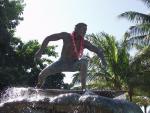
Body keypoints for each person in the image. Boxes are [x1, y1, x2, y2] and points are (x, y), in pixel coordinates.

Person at [34, 23, 106, 89]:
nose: (85, 32)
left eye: (86, 30)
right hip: (61, 62)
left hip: (74, 64)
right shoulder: (66, 36)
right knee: (41, 75)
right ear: (76, 29)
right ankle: (38, 88)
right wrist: (40, 51)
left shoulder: (84, 42)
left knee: (84, 62)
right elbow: (48, 38)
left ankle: (83, 89)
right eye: (83, 29)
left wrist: (103, 60)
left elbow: (97, 50)